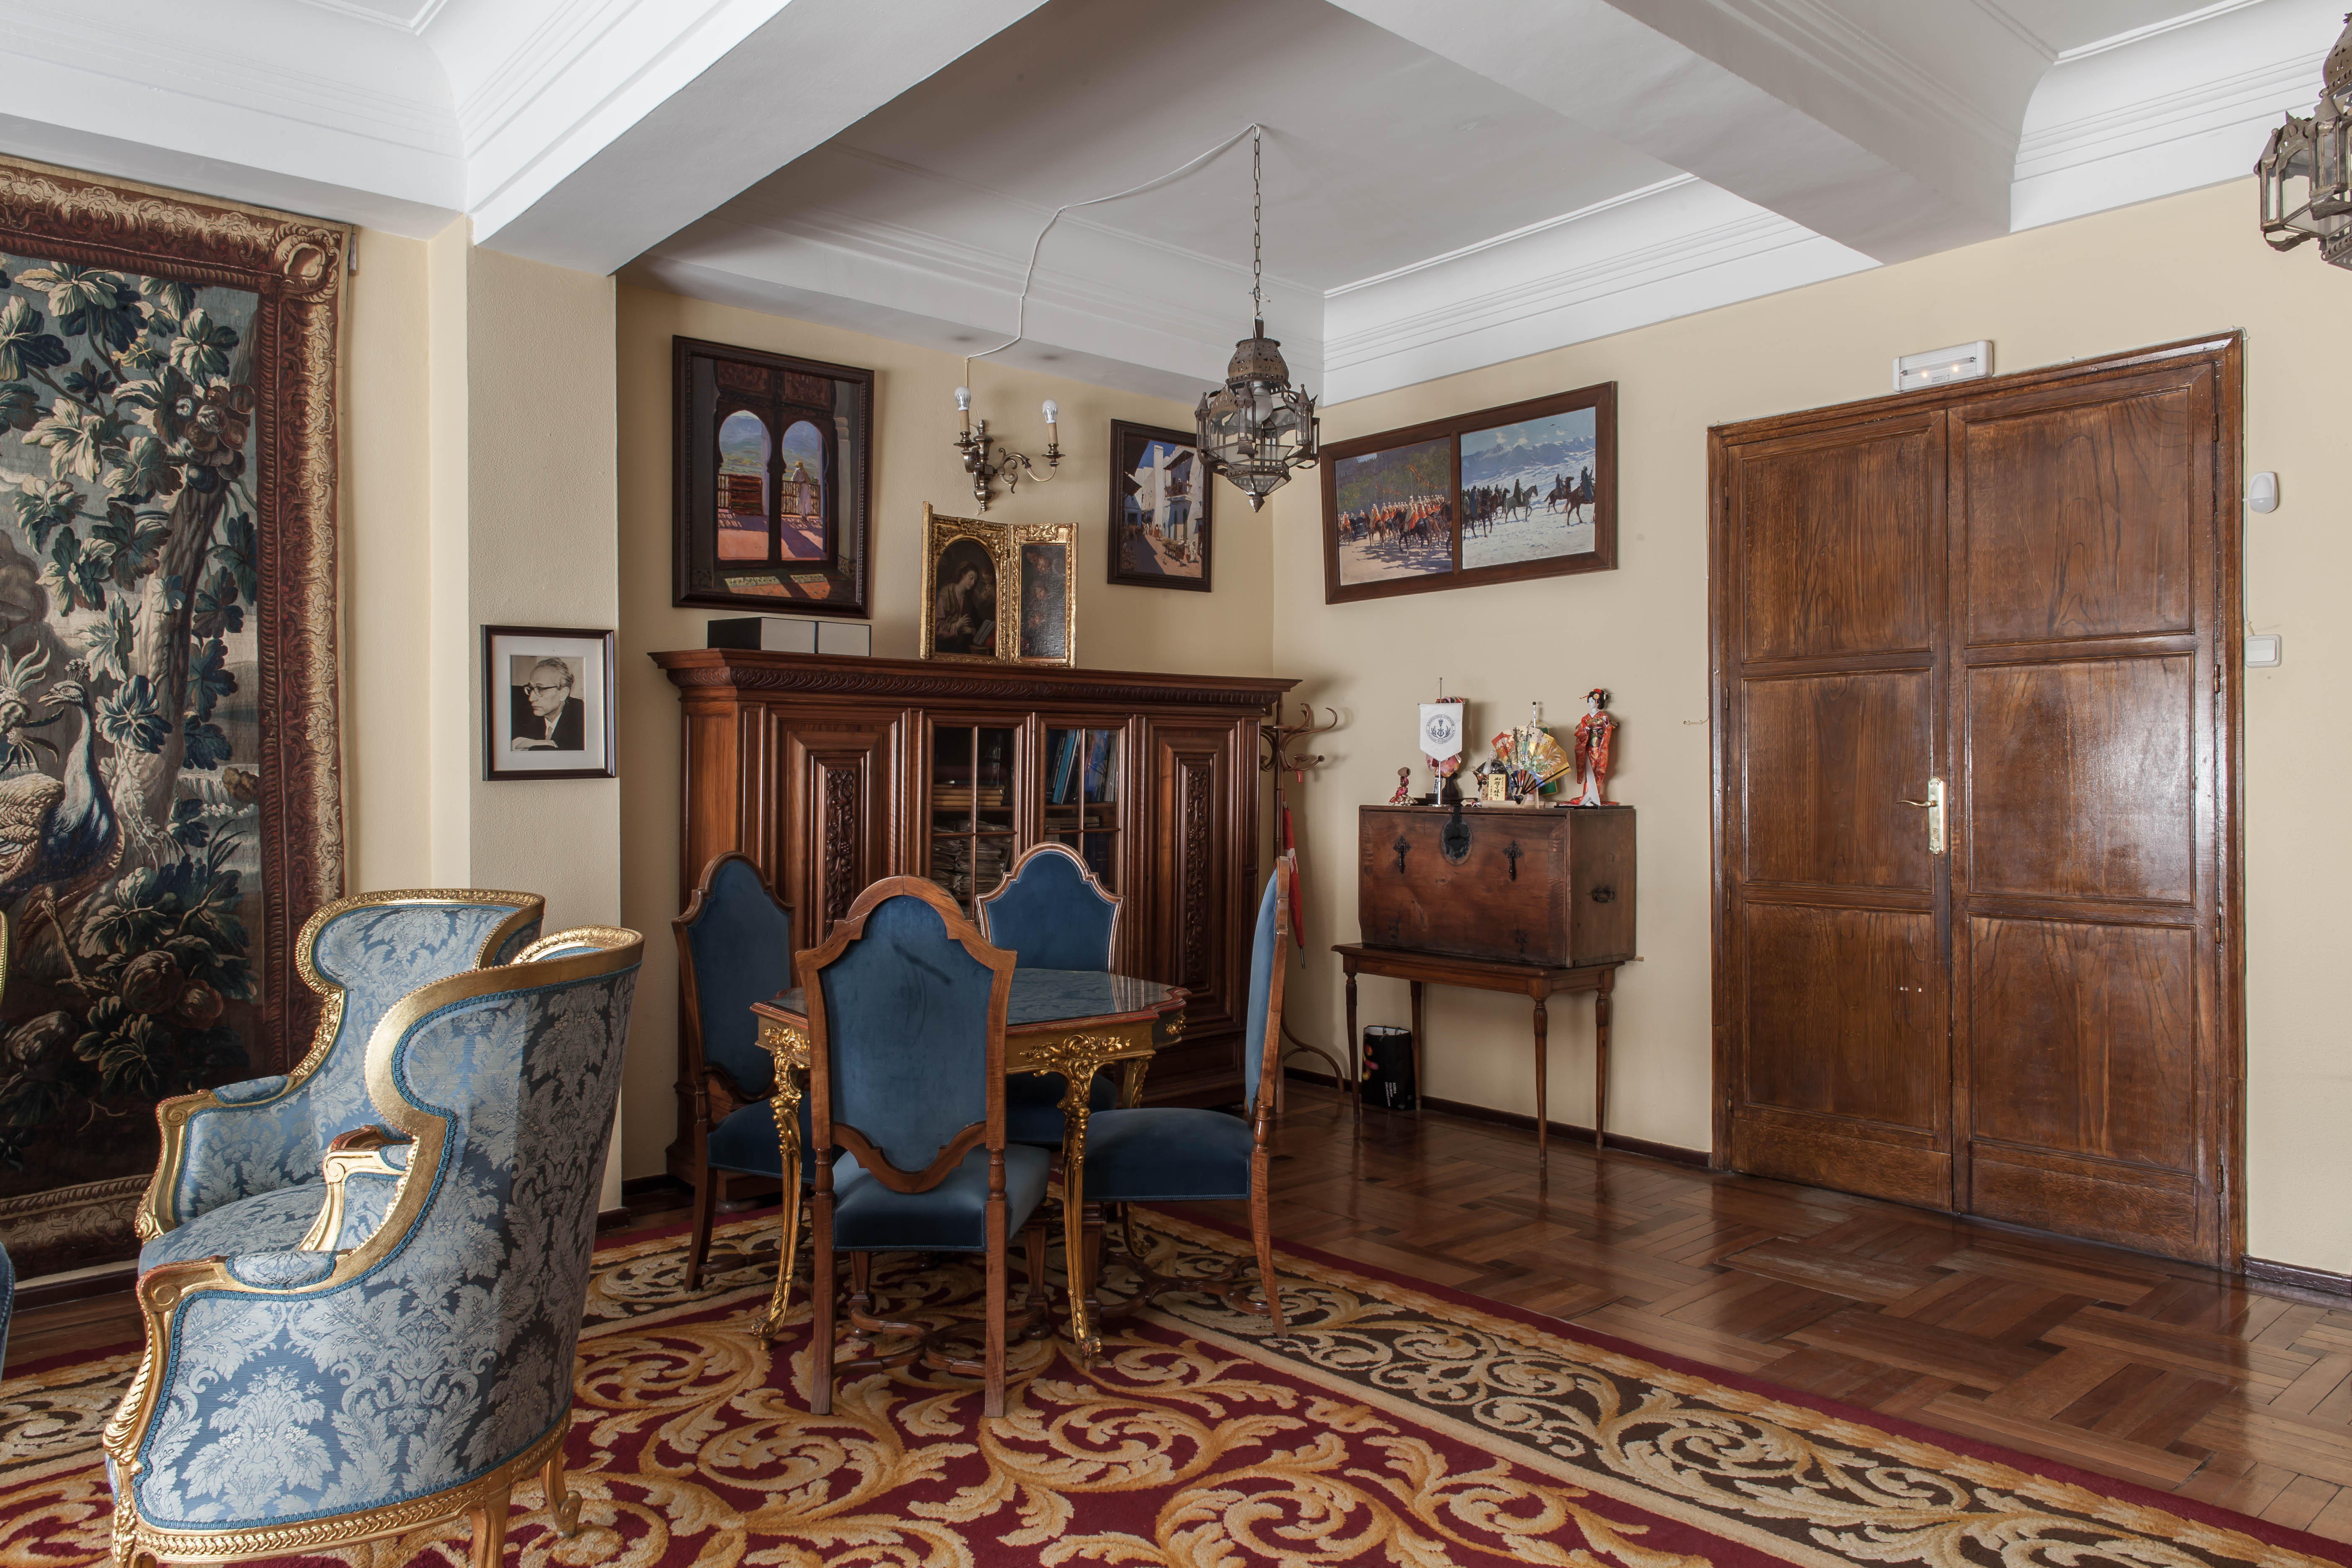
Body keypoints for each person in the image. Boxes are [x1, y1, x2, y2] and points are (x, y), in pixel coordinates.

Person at [512, 657, 585, 751]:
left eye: (540, 689)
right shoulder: (526, 711)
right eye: (531, 688)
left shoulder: (582, 718)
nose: (531, 698)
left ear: (563, 694)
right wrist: (528, 743)